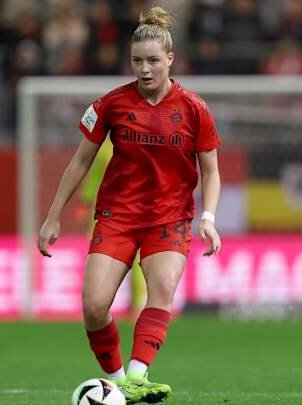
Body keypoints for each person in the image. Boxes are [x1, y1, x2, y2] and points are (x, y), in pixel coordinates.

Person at [36, 6, 222, 404]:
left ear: (170, 58)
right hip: (117, 217)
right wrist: (53, 216)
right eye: (137, 61)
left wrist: (208, 217)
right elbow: (80, 161)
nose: (145, 69)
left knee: (162, 288)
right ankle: (118, 382)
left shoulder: (194, 109)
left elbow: (211, 171)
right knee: (94, 307)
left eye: (153, 60)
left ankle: (137, 377)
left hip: (169, 217)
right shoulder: (111, 104)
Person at [79, 138, 147, 323]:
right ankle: (96, 306)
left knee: (137, 262)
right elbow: (95, 175)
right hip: (105, 212)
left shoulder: (139, 140)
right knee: (99, 259)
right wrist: (86, 201)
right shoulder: (104, 147)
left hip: (134, 212)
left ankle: (137, 305)